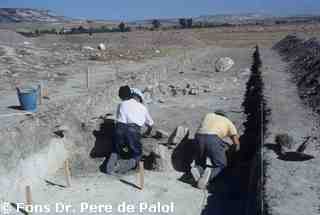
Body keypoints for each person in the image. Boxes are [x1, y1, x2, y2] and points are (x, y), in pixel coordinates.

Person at [106, 85, 154, 174]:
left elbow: (118, 119)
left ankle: (109, 168)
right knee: (137, 153)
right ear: (139, 98)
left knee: (116, 149)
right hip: (133, 130)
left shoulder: (121, 104)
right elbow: (151, 124)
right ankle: (123, 169)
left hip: (119, 128)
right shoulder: (143, 108)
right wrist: (147, 132)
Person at [191, 110, 240, 189]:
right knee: (221, 164)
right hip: (212, 138)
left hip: (198, 137)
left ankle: (197, 170)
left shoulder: (208, 115)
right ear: (224, 116)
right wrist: (236, 150)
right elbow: (235, 141)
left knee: (200, 162)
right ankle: (208, 176)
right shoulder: (228, 122)